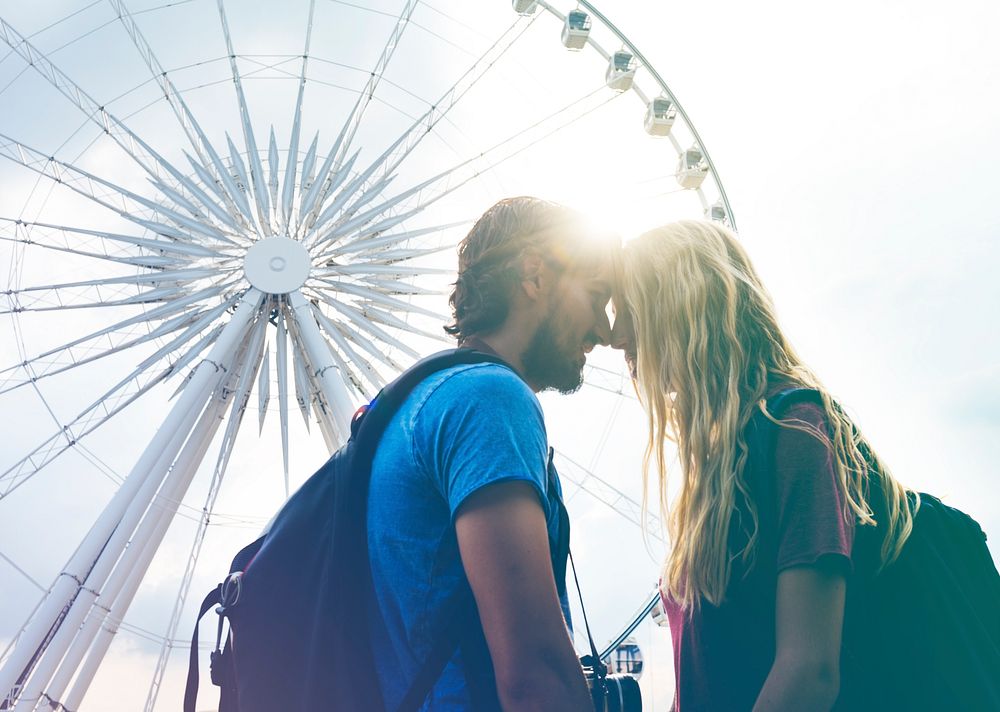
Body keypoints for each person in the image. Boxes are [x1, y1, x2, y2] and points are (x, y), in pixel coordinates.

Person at [610, 220, 917, 711]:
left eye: (628, 308)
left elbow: (809, 672)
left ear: (680, 306)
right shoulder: (720, 458)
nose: (614, 333)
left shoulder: (797, 433)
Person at [366, 196, 617, 711]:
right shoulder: (490, 400)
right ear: (534, 275)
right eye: (595, 296)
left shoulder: (414, 405)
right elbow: (534, 672)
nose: (603, 331)